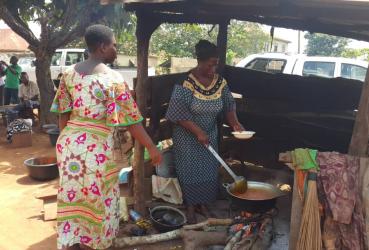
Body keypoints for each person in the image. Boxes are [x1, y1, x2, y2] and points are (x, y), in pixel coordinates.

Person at [50, 24, 162, 250]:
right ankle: (96, 242)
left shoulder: (68, 74)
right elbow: (132, 122)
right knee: (99, 198)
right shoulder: (112, 79)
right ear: (102, 47)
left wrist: (67, 144)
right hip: (97, 149)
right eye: (114, 45)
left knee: (74, 196)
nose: (116, 49)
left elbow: (63, 114)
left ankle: (73, 241)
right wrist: (152, 147)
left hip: (69, 145)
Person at [166, 40, 244, 224]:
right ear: (200, 62)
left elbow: (229, 105)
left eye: (216, 64)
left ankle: (204, 204)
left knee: (208, 170)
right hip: (187, 137)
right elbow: (178, 114)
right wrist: (198, 131)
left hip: (208, 134)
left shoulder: (220, 82)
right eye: (210, 64)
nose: (213, 68)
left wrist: (235, 123)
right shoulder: (186, 83)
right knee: (190, 172)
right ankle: (191, 206)